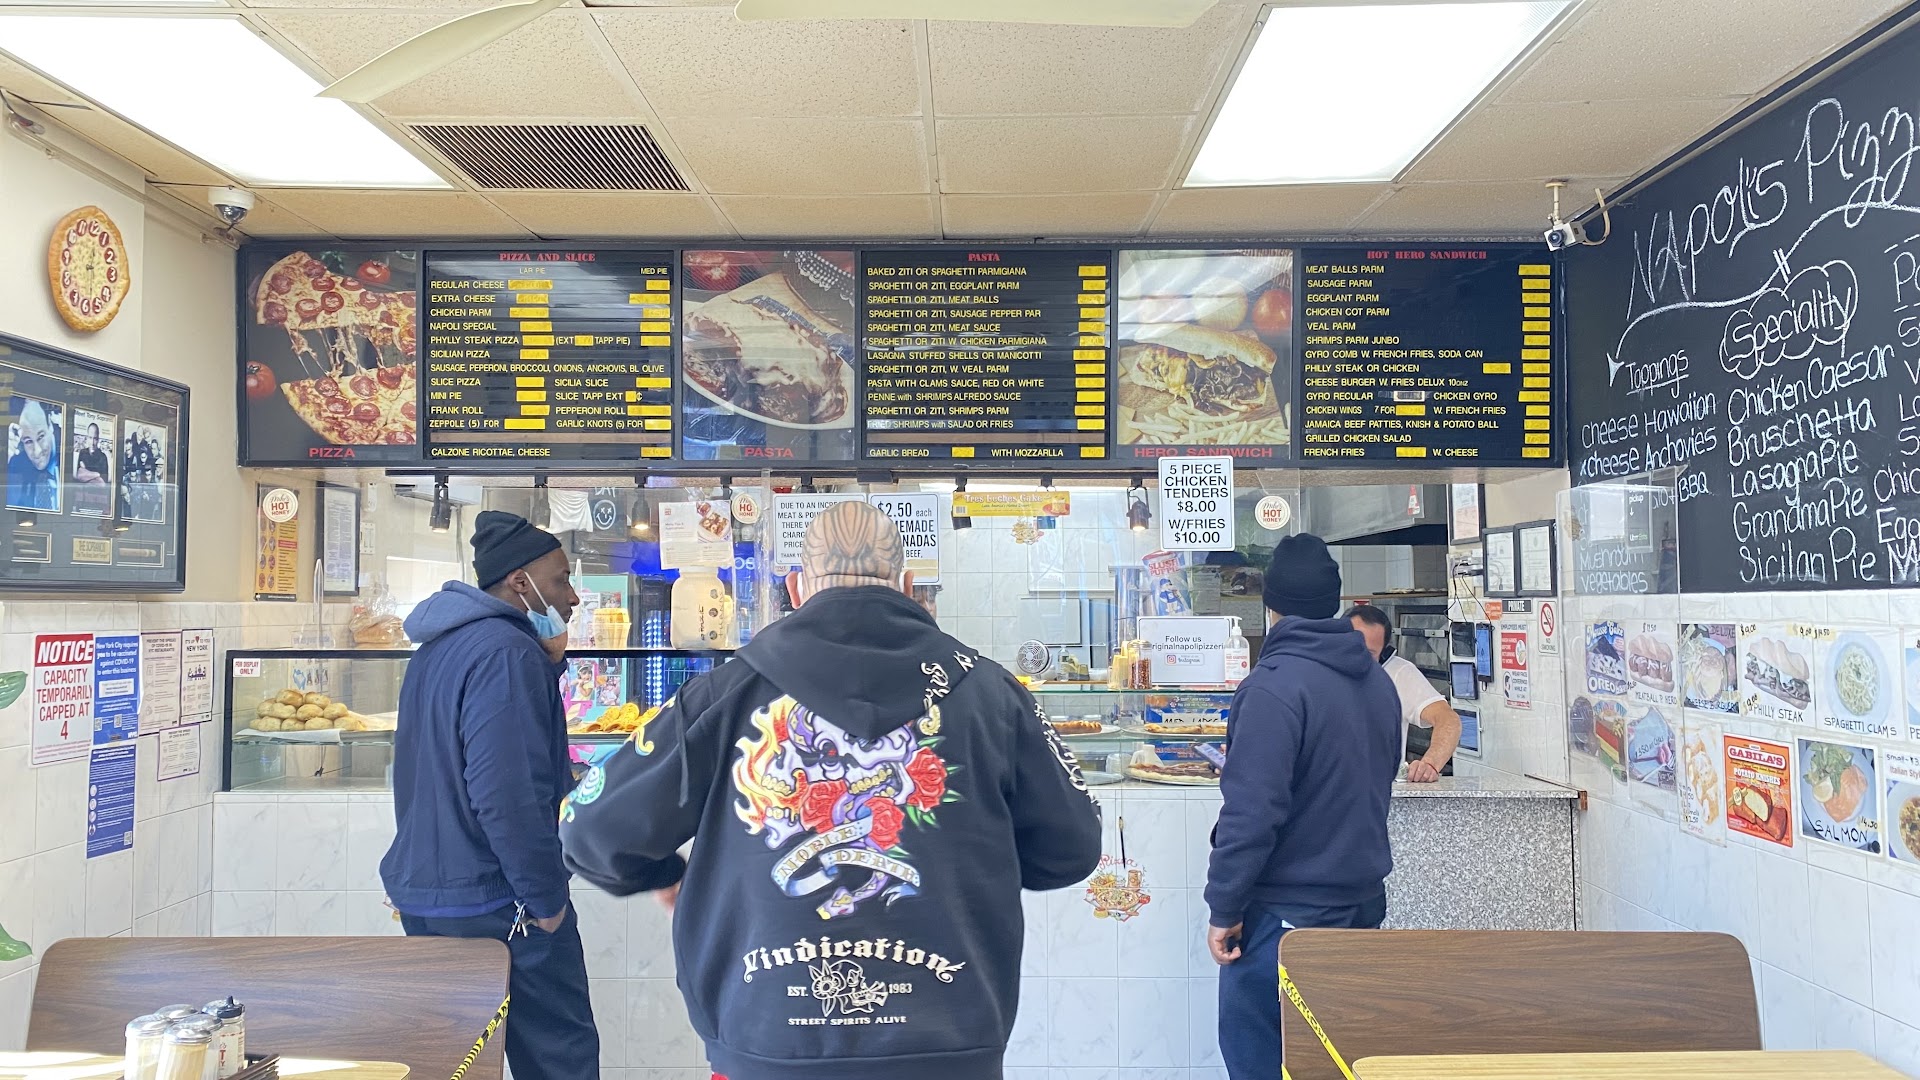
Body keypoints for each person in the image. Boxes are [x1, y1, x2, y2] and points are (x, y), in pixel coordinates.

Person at [560, 501, 1102, 1080]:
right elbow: (1071, 848)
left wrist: (666, 874)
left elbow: (589, 830)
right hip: (948, 1042)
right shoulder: (994, 695)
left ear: (796, 588)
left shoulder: (721, 695)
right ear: (909, 586)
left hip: (765, 1042)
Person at [379, 510, 600, 1080]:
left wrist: (549, 666)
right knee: (559, 1059)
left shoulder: (440, 648)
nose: (572, 596)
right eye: (560, 579)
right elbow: (507, 794)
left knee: (458, 1065)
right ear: (520, 582)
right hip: (499, 905)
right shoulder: (506, 652)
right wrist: (546, 901)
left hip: (432, 898)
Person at [1204, 533, 1402, 1080]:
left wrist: (1224, 906)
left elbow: (1252, 813)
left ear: (1271, 604)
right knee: (1337, 1063)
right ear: (1333, 602)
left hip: (1287, 917)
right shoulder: (1378, 683)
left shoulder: (1273, 687)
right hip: (1362, 907)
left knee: (1264, 1062)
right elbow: (1379, 776)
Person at [1347, 605, 1463, 782]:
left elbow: (1448, 720)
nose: (1356, 656)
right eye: (1353, 647)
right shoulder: (1313, 670)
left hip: (1377, 791)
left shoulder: (1398, 673)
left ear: (1383, 654)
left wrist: (1430, 764)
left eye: (1369, 653)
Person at [7, 401, 60, 511]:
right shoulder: (15, 464)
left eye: (41, 437)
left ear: (50, 425)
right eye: (28, 441)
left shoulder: (69, 450)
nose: (37, 452)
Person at [73, 423, 111, 515]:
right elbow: (79, 475)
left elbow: (102, 484)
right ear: (87, 438)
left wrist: (86, 474)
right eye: (90, 438)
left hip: (98, 502)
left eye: (95, 438)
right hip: (83, 501)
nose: (93, 442)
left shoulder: (102, 457)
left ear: (98, 439)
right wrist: (97, 475)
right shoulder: (82, 453)